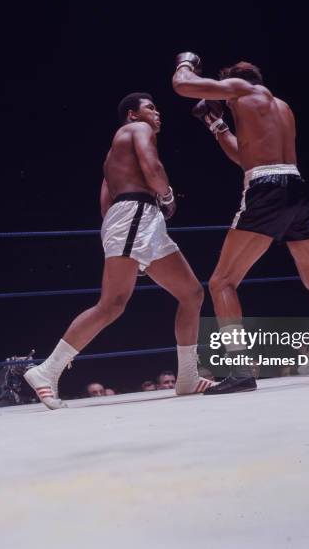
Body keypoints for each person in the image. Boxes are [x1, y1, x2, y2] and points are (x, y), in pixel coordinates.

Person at [172, 52, 309, 394]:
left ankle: (240, 370)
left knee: (221, 282)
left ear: (235, 81)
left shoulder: (240, 88)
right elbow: (246, 156)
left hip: (266, 190)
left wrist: (185, 62)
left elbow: (182, 86)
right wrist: (216, 126)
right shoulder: (282, 107)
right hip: (296, 191)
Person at [25, 93, 212, 409]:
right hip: (136, 215)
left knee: (192, 293)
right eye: (150, 107)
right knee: (112, 304)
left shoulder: (113, 158)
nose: (157, 113)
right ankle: (47, 371)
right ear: (132, 114)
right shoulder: (138, 130)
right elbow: (153, 167)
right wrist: (166, 196)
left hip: (137, 219)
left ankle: (188, 377)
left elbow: (104, 203)